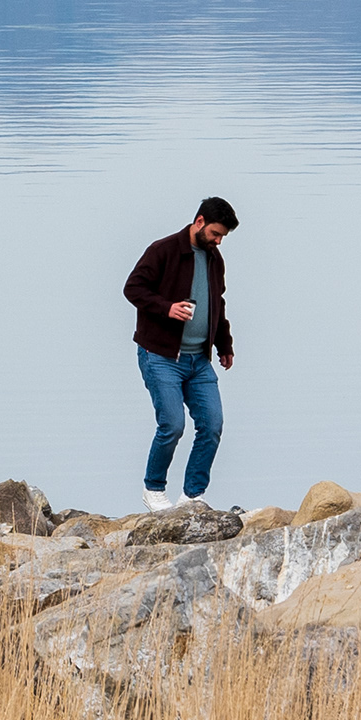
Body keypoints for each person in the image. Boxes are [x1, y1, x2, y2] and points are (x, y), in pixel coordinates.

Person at [122, 196, 237, 511]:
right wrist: (167, 308)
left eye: (222, 237)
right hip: (160, 356)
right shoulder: (163, 251)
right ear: (199, 222)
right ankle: (154, 489)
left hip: (199, 360)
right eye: (215, 233)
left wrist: (223, 345)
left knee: (212, 425)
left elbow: (218, 303)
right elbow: (133, 288)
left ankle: (192, 497)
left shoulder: (215, 259)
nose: (218, 241)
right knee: (172, 424)